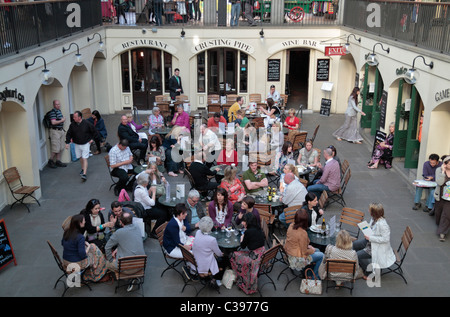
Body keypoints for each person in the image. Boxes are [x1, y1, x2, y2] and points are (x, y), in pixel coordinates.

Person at [352, 203, 395, 280]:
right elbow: (371, 227)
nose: (368, 211)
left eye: (370, 210)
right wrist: (364, 227)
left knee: (357, 255)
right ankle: (355, 264)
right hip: (369, 241)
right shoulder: (373, 218)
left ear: (374, 213)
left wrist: (371, 238)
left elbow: (386, 239)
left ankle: (370, 272)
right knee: (354, 245)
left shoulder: (383, 225)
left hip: (376, 247)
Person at [61, 214, 108, 283]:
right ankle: (96, 273)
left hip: (66, 261)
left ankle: (94, 267)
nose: (85, 222)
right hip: (76, 264)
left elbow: (63, 243)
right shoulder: (80, 237)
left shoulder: (67, 233)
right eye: (83, 221)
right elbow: (82, 255)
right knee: (94, 250)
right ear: (79, 223)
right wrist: (88, 246)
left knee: (93, 246)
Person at [230, 212, 266, 294]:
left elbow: (242, 246)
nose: (242, 223)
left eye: (243, 221)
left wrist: (242, 238)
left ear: (248, 222)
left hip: (254, 258)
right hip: (262, 253)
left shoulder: (248, 232)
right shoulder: (258, 228)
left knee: (233, 255)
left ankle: (240, 277)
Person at [284, 209, 324, 278]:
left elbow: (298, 242)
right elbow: (304, 252)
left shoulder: (291, 225)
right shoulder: (302, 233)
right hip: (297, 260)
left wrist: (309, 246)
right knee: (321, 255)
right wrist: (312, 250)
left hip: (289, 253)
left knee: (317, 250)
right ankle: (315, 277)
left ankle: (308, 273)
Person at [133, 172, 167, 238]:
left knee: (162, 206)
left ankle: (163, 226)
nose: (149, 181)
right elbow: (152, 203)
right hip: (144, 210)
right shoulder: (140, 191)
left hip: (146, 205)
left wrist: (150, 190)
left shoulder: (142, 187)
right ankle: (154, 232)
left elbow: (146, 196)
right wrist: (154, 192)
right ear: (145, 182)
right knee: (163, 214)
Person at [65, 110, 97, 181]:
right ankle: (83, 169)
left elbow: (94, 131)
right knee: (80, 157)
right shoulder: (72, 125)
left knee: (84, 158)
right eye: (73, 117)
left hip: (85, 143)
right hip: (77, 144)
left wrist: (92, 139)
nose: (73, 118)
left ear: (79, 117)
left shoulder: (87, 123)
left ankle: (84, 174)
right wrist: (67, 142)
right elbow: (69, 134)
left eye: (75, 117)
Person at [434, 155, 450, 242]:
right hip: (440, 195)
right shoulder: (438, 170)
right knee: (438, 213)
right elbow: (439, 182)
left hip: (449, 198)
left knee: (447, 214)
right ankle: (440, 224)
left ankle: (442, 233)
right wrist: (443, 172)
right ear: (445, 164)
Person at [48, 99, 67, 168]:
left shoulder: (59, 111)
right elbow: (53, 122)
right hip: (55, 131)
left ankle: (58, 161)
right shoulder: (52, 112)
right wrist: (62, 120)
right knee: (55, 148)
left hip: (60, 130)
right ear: (54, 105)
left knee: (61, 147)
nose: (58, 105)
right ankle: (50, 161)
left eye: (59, 104)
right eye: (56, 104)